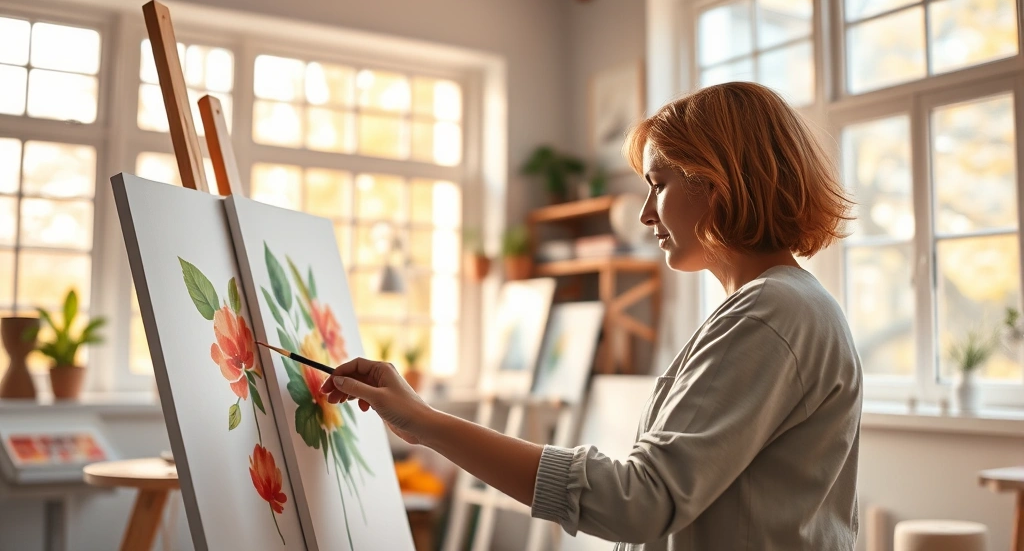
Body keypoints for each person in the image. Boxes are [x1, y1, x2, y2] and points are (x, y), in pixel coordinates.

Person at [320, 81, 862, 550]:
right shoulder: (776, 307)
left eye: (658, 183)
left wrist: (429, 424)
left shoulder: (772, 313)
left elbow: (640, 500)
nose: (647, 213)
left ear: (716, 182)